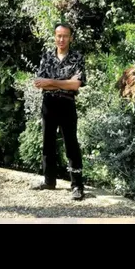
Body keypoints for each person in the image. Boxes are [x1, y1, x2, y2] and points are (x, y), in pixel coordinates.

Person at [31, 23, 87, 200]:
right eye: (59, 36)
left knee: (71, 145)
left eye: (65, 36)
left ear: (71, 37)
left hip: (67, 103)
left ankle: (77, 186)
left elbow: (76, 84)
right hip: (49, 103)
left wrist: (51, 82)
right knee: (48, 143)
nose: (61, 39)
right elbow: (39, 82)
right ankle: (49, 180)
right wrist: (63, 82)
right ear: (55, 37)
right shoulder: (47, 57)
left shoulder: (77, 57)